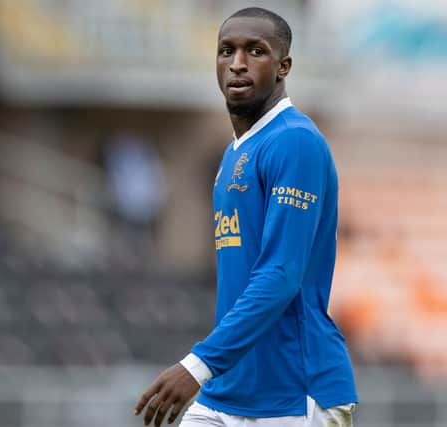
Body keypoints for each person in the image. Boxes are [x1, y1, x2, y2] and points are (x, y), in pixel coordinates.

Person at [134, 7, 358, 427]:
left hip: (294, 393)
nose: (237, 63)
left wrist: (197, 365)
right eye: (226, 51)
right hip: (229, 388)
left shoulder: (294, 142)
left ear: (283, 66)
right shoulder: (235, 152)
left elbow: (280, 274)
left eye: (255, 51)